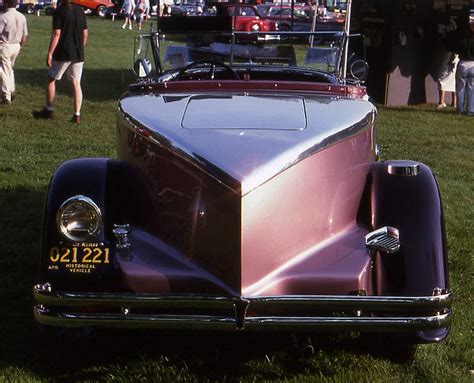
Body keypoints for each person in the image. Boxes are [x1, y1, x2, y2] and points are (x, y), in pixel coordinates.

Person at [33, 0, 88, 124]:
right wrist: (80, 47)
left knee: (51, 79)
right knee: (76, 83)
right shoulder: (80, 10)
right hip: (78, 53)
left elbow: (57, 33)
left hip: (63, 52)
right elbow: (85, 33)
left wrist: (50, 53)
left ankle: (49, 109)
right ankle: (77, 114)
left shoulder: (59, 11)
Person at [0, 0, 28, 105]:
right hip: (16, 45)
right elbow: (25, 35)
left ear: (6, 4)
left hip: (6, 45)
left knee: (5, 71)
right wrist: (20, 45)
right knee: (9, 69)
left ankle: (7, 94)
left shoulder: (4, 17)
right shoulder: (22, 16)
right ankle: (11, 89)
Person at [455, 28, 474, 115]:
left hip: (463, 63)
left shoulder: (463, 40)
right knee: (471, 88)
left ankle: (460, 109)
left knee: (460, 88)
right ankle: (470, 109)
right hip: (473, 64)